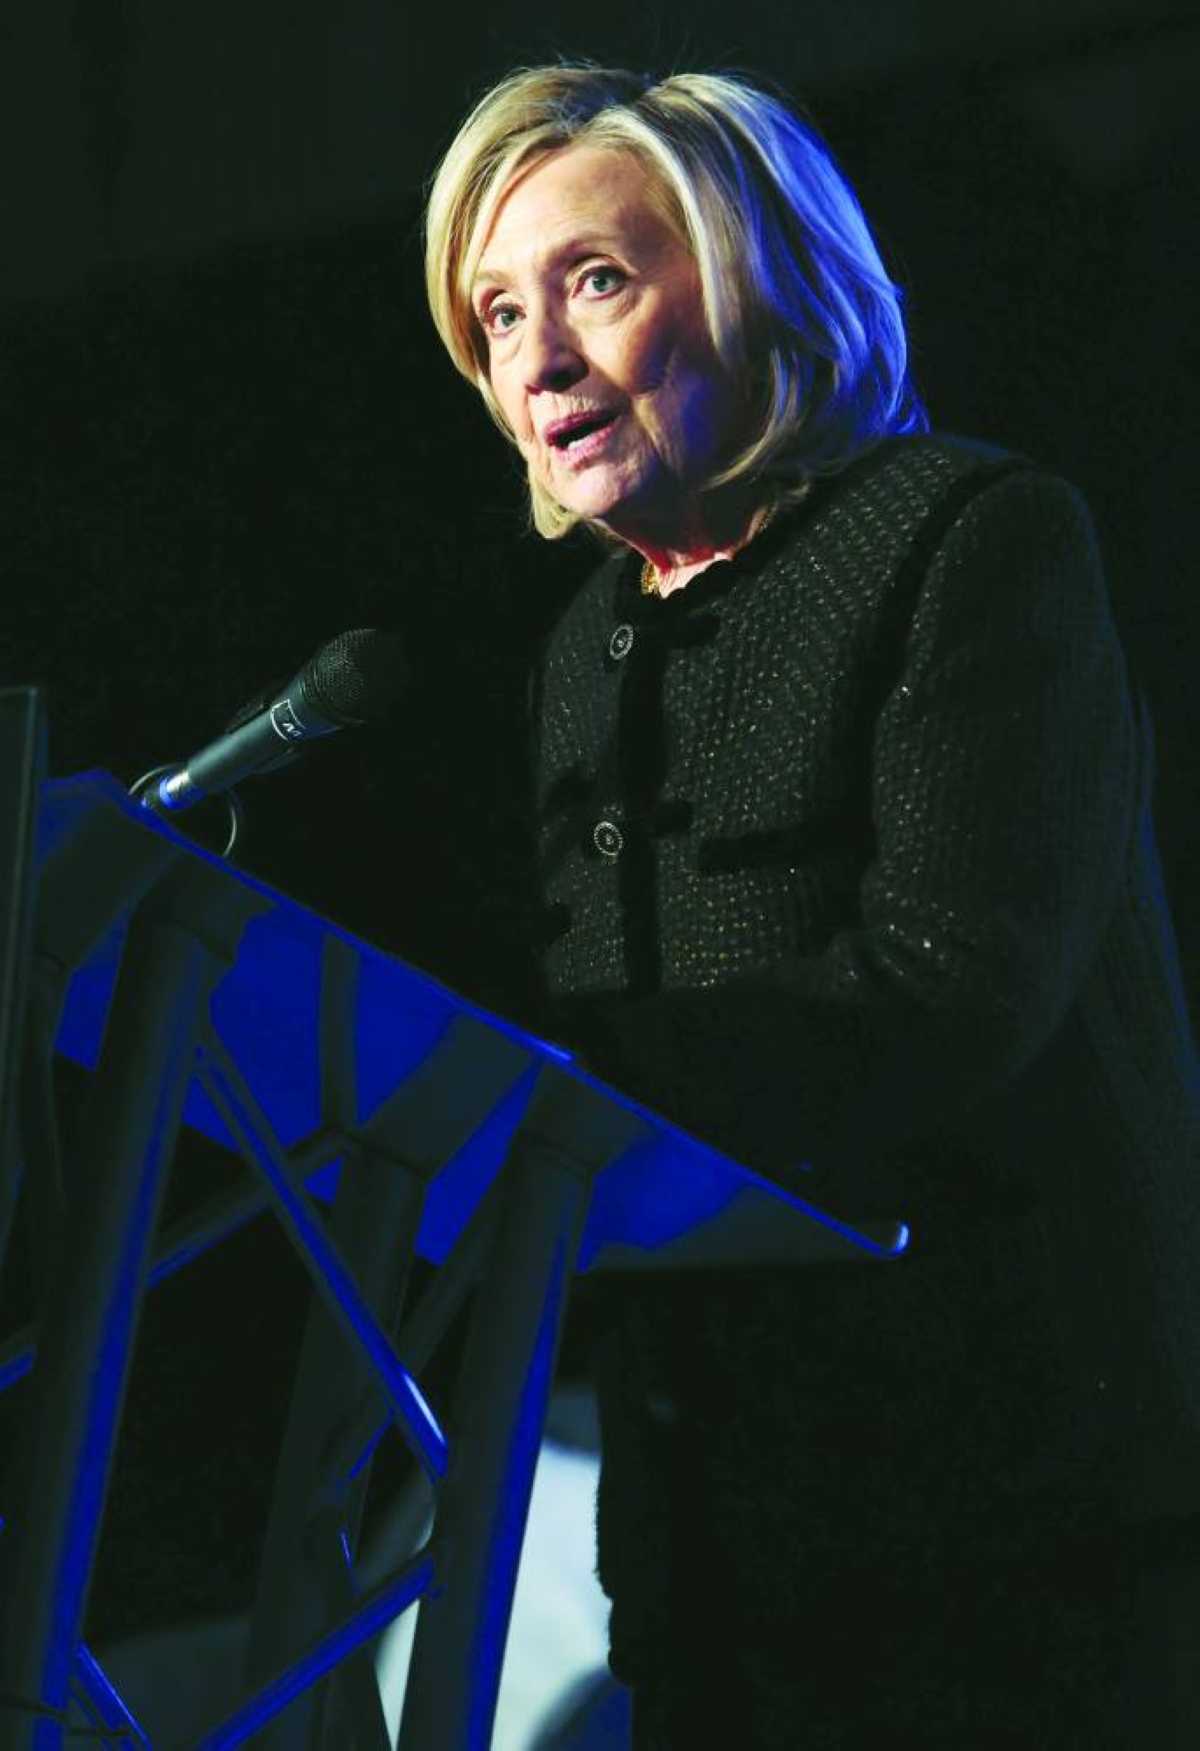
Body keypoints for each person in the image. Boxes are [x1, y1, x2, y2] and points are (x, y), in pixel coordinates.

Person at [424, 64, 1200, 1746]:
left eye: (599, 283)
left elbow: (953, 987)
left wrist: (541, 1086)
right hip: (716, 1562)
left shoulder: (971, 539)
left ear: (768, 277)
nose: (536, 358)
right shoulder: (582, 655)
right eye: (494, 315)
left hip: (1011, 1537)